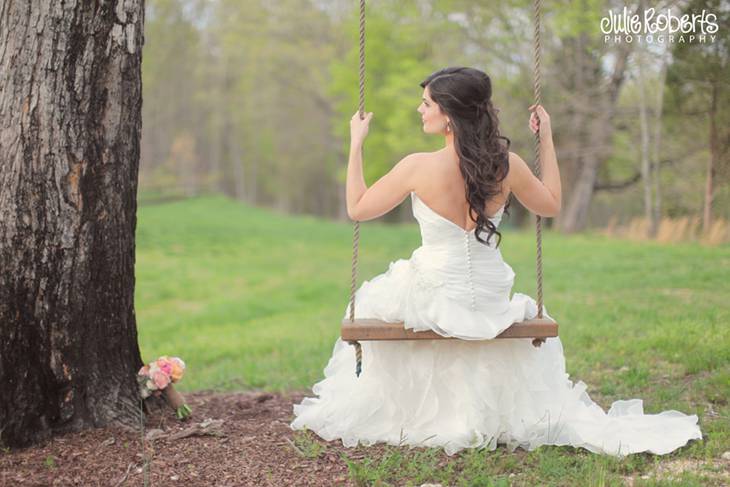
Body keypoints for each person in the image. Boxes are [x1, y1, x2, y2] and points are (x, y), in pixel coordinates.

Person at [289, 67, 702, 456]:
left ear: (448, 116)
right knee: (411, 293)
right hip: (490, 296)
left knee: (380, 296)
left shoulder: (418, 167)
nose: (421, 110)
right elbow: (552, 204)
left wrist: (357, 143)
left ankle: (428, 411)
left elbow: (357, 208)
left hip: (437, 290)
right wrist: (547, 139)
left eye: (428, 104)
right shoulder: (505, 165)